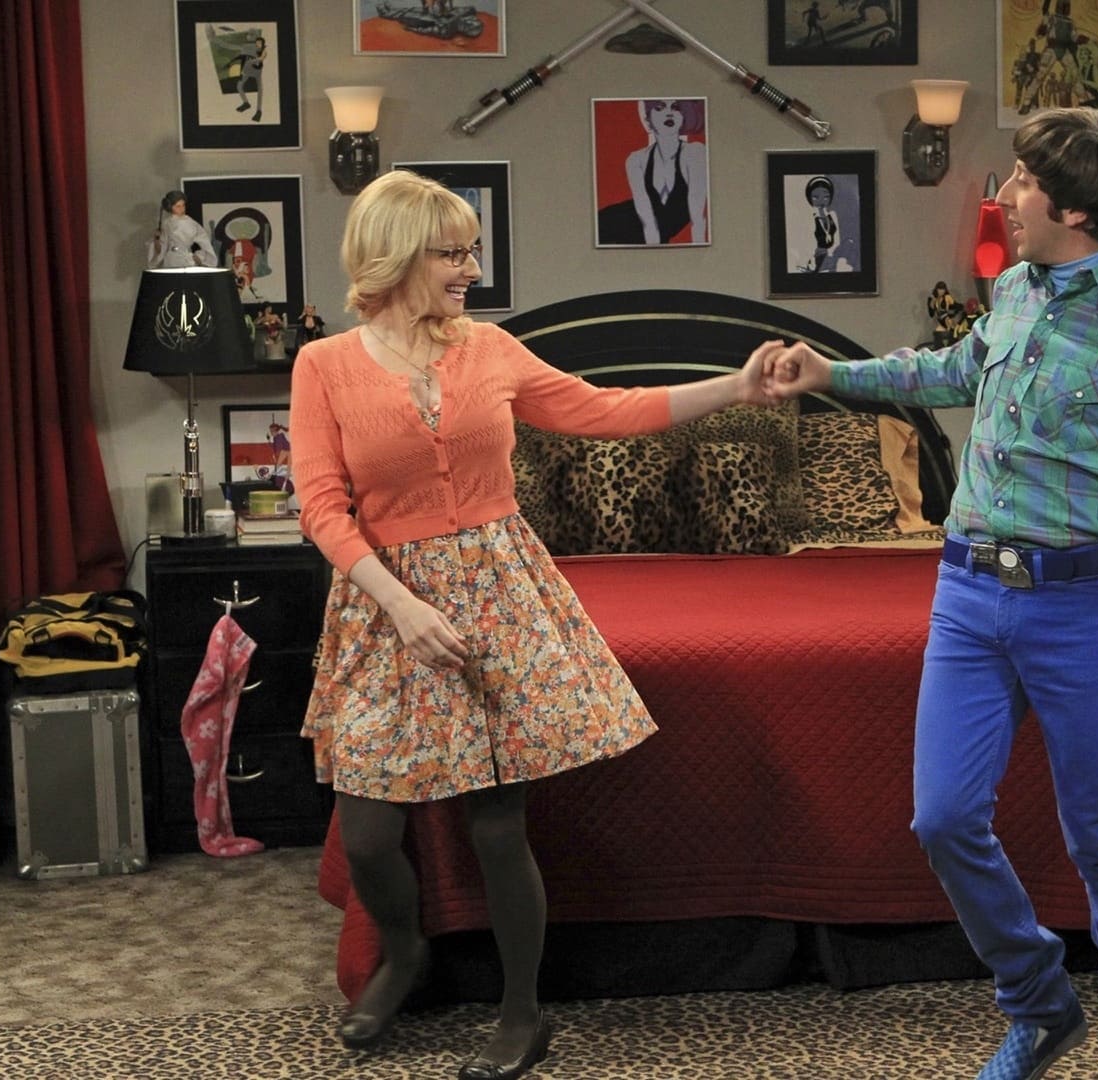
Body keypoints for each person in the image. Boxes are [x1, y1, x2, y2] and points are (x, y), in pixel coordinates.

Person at [752, 106, 1098, 1080]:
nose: (1004, 195)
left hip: (1081, 608)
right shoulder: (1014, 288)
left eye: (1022, 181)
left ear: (1076, 208)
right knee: (944, 819)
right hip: (968, 594)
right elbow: (951, 370)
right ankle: (1041, 1005)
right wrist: (831, 372)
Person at [288, 169, 772, 1080]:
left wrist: (735, 388)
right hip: (384, 602)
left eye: (471, 251)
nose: (472, 269)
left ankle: (521, 1012)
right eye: (452, 253)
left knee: (498, 828)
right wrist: (401, 603)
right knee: (370, 836)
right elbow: (321, 506)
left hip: (497, 593)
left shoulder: (492, 350)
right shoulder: (325, 365)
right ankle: (405, 952)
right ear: (396, 256)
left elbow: (608, 410)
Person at [594, 98, 709, 246]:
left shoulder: (695, 153)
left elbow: (698, 217)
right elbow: (646, 218)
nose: (669, 113)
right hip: (620, 225)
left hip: (642, 236)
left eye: (675, 108)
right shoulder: (636, 159)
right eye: (660, 108)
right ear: (648, 119)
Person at [147, 189, 215, 270]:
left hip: (187, 259)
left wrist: (199, 257)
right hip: (171, 260)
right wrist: (156, 239)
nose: (182, 209)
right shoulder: (166, 223)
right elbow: (162, 248)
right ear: (170, 207)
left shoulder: (191, 222)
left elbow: (204, 240)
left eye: (183, 205)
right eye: (178, 206)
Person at [803, 175, 838, 272]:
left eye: (826, 197)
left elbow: (837, 238)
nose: (821, 201)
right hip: (816, 259)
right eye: (815, 197)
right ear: (809, 198)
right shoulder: (809, 218)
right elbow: (806, 243)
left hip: (832, 258)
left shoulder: (832, 215)